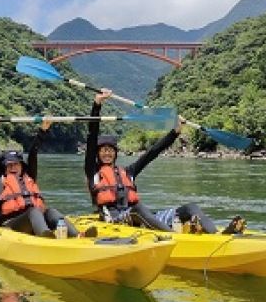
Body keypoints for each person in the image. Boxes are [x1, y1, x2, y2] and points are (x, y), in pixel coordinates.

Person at [85, 90, 245, 235]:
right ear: (98, 154)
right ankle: (174, 237)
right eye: (103, 150)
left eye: (110, 150)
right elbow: (92, 137)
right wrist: (97, 104)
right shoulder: (93, 171)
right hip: (115, 221)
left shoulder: (128, 172)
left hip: (140, 217)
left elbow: (153, 152)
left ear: (115, 153)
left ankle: (216, 235)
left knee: (191, 208)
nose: (107, 152)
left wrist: (174, 132)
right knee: (138, 209)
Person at [0, 116, 91, 238]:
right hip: (11, 224)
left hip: (34, 219)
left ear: (22, 166)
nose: (13, 167)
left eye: (16, 164)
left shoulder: (29, 176)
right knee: (34, 211)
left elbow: (33, 153)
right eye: (9, 165)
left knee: (51, 212)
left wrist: (43, 130)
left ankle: (77, 235)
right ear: (4, 168)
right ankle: (45, 236)